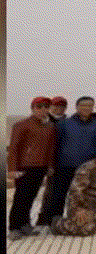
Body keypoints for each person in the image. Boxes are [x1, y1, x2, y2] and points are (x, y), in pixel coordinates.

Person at [37, 96, 96, 227]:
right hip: (65, 166)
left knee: (84, 195)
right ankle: (54, 222)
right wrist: (51, 165)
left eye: (89, 106)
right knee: (59, 195)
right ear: (77, 107)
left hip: (87, 168)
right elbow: (54, 146)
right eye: (83, 105)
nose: (86, 108)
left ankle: (80, 221)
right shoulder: (63, 124)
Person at [8, 97, 56, 240]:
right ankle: (14, 227)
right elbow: (13, 148)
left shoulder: (49, 127)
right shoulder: (21, 125)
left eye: (46, 107)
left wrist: (50, 165)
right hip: (24, 167)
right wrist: (11, 169)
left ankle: (25, 224)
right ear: (33, 108)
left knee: (31, 197)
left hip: (40, 167)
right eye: (39, 107)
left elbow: (50, 149)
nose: (42, 110)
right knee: (21, 197)